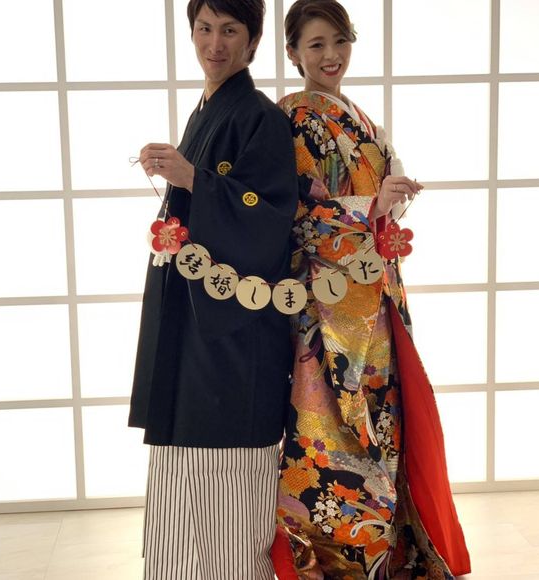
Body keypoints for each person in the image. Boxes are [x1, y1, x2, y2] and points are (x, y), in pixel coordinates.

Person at [276, 1, 471, 578]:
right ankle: (335, 561)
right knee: (333, 428)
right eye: (316, 45)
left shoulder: (359, 117)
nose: (330, 55)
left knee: (383, 424)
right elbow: (296, 214)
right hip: (328, 306)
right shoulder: (293, 116)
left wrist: (392, 197)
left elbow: (378, 201)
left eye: (339, 41)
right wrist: (370, 206)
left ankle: (389, 553)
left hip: (375, 295)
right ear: (292, 53)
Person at [127, 0, 298, 578]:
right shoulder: (208, 111)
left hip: (233, 333)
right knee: (181, 472)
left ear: (253, 42)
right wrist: (183, 175)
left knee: (229, 487)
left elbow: (271, 219)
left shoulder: (260, 117)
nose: (215, 43)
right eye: (204, 28)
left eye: (230, 30)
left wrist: (192, 178)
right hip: (191, 324)